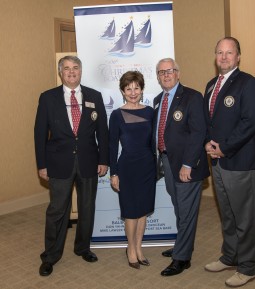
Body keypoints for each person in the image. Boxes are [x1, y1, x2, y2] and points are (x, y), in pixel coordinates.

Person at [34, 55, 109, 276]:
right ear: (60, 72)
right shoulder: (48, 98)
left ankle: (82, 247)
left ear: (81, 71)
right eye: (66, 68)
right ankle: (50, 255)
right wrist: (42, 164)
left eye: (75, 68)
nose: (71, 72)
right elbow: (39, 134)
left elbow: (102, 132)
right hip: (58, 163)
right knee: (57, 211)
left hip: (88, 161)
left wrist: (104, 159)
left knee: (87, 207)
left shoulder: (94, 96)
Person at [203, 37, 255, 287]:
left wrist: (224, 148)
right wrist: (207, 142)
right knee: (227, 214)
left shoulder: (248, 83)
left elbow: (252, 121)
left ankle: (247, 266)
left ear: (238, 56)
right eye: (220, 52)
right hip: (217, 163)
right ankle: (230, 256)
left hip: (240, 161)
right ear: (215, 56)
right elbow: (208, 121)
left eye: (230, 52)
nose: (224, 57)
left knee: (245, 217)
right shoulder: (210, 85)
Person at [153, 58, 210, 276]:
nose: (166, 75)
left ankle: (182, 258)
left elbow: (198, 133)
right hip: (167, 161)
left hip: (187, 165)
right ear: (158, 77)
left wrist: (188, 164)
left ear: (178, 73)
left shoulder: (192, 97)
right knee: (179, 208)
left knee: (186, 212)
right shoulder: (159, 99)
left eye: (170, 71)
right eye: (161, 72)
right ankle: (183, 244)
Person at [109, 71, 156, 269]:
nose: (133, 92)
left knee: (143, 211)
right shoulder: (116, 115)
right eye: (128, 88)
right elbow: (112, 147)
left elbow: (154, 142)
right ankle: (130, 249)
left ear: (142, 89)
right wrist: (114, 173)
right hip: (127, 167)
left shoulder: (150, 112)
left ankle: (139, 248)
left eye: (136, 87)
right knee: (130, 211)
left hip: (147, 166)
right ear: (122, 91)